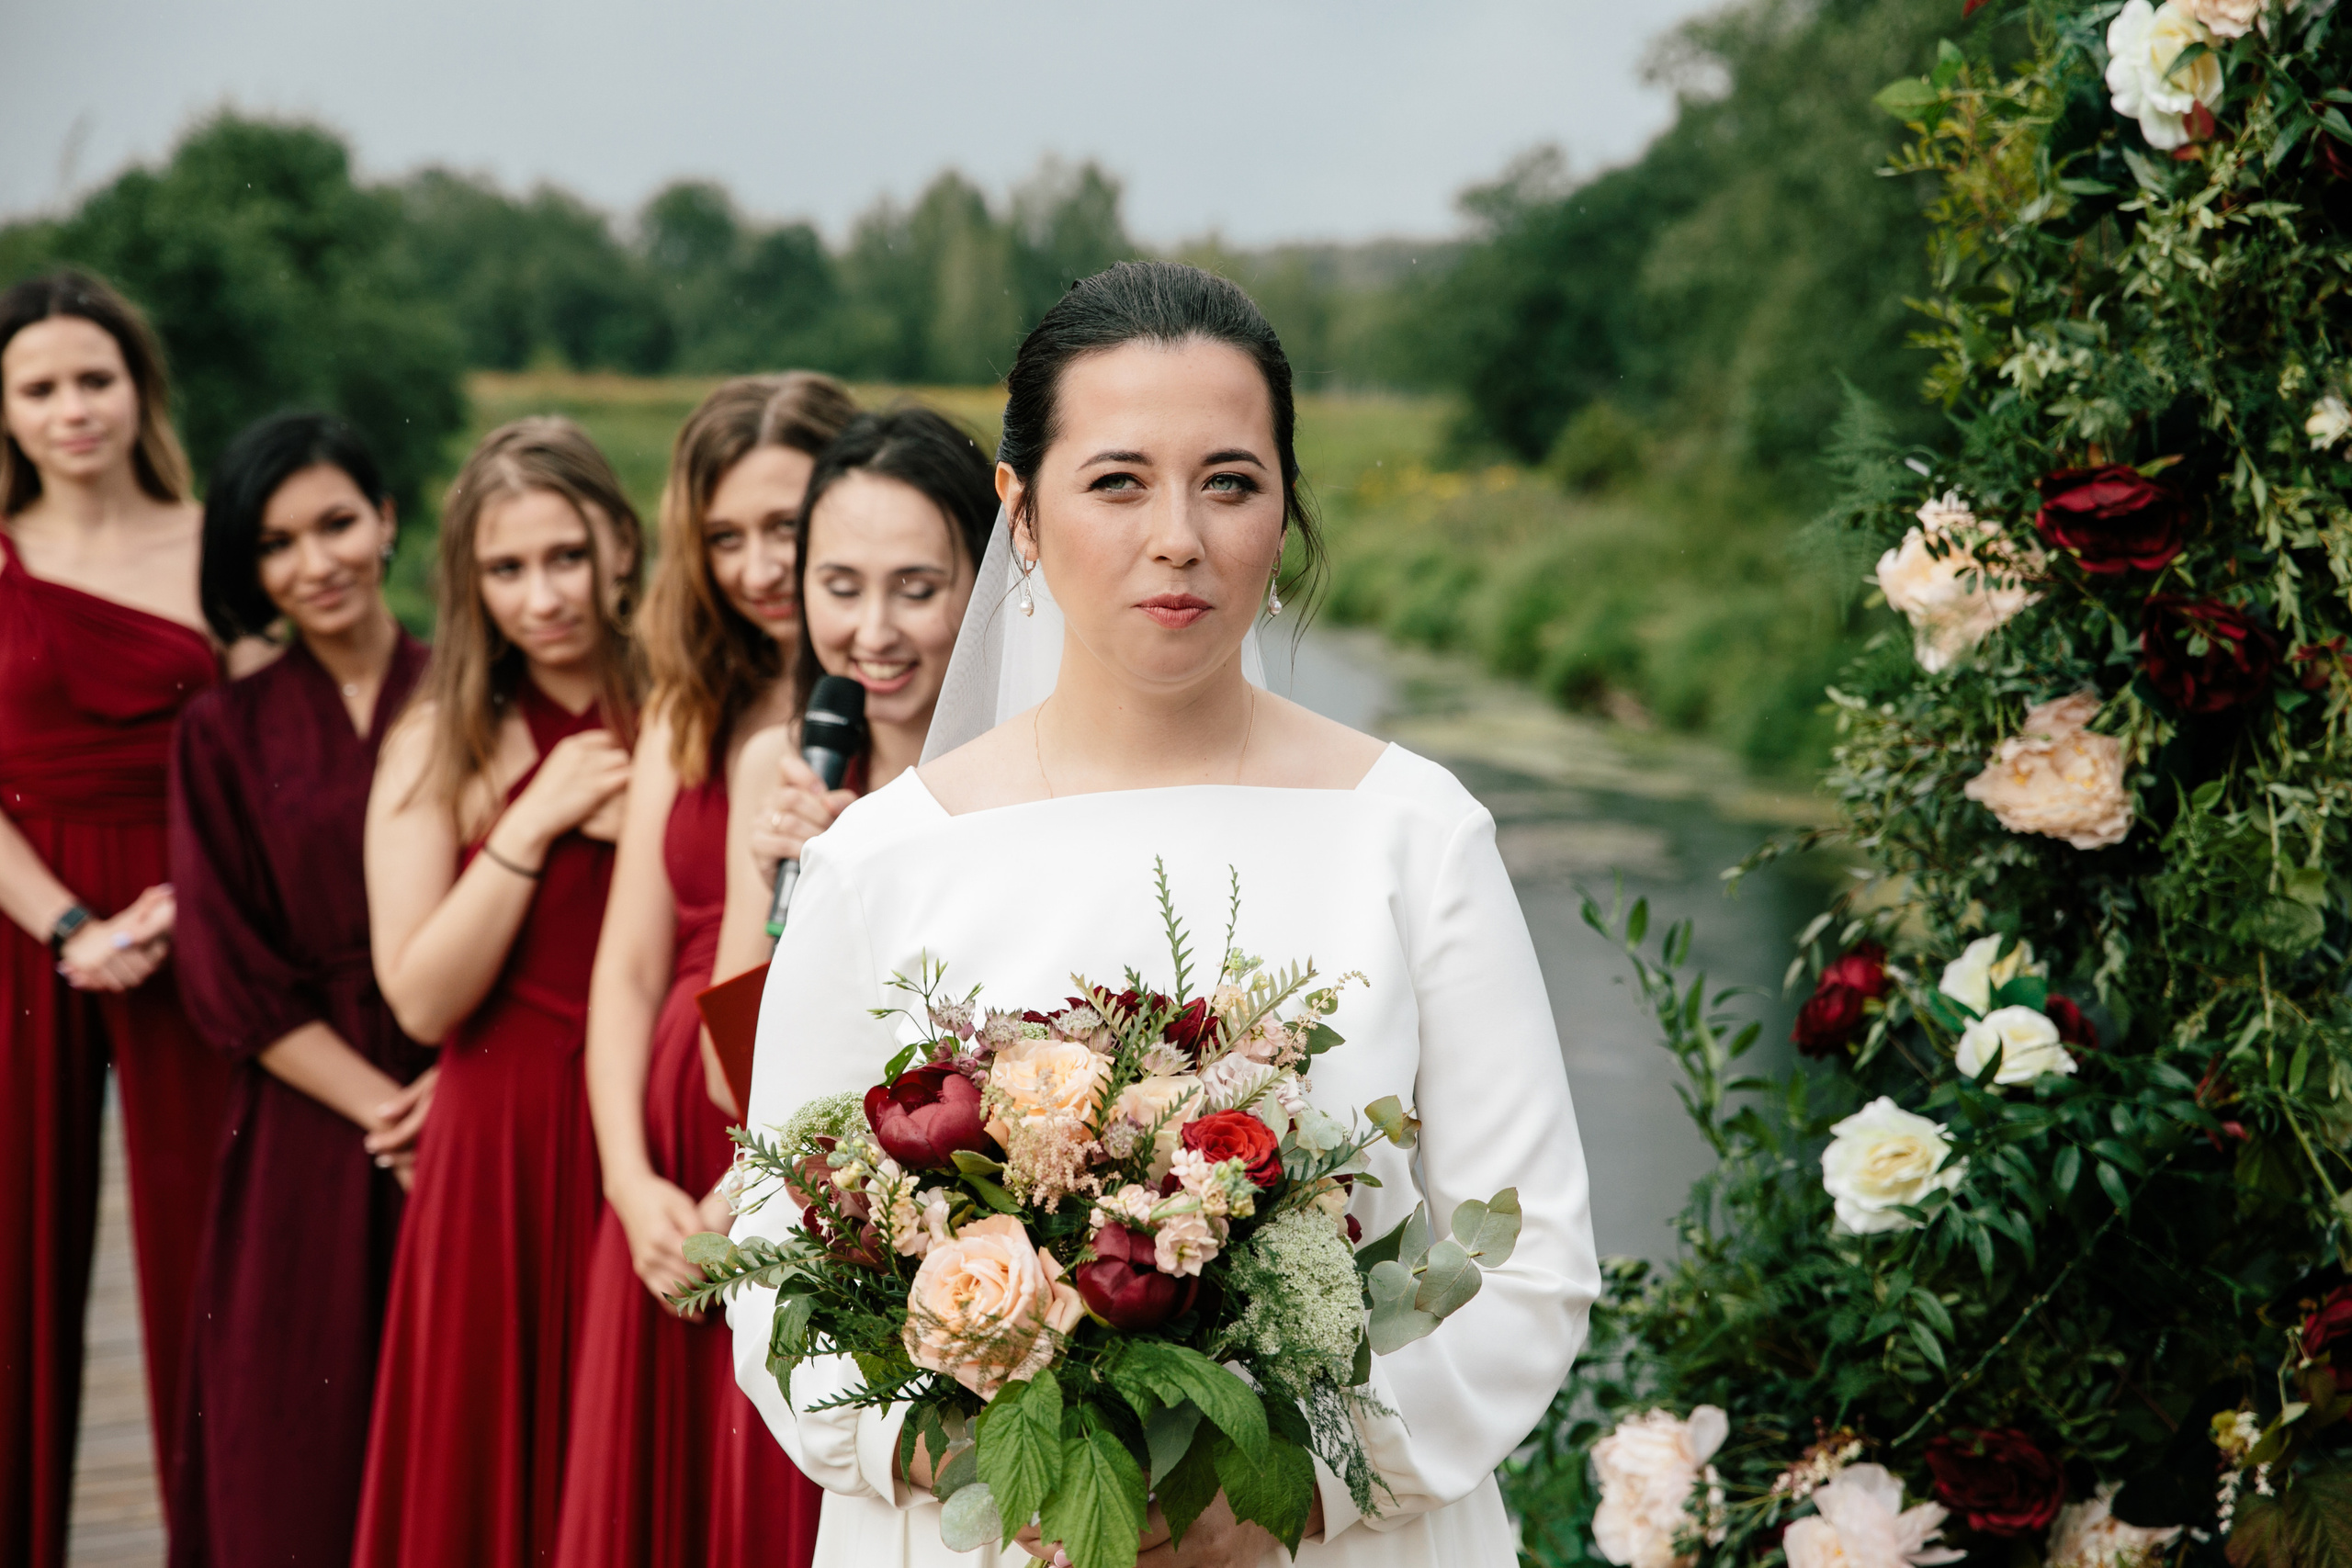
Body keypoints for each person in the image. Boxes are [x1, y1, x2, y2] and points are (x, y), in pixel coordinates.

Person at [727, 262, 1599, 1568]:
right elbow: (775, 1272)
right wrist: (993, 1472)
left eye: (1231, 481)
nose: (1178, 534)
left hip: (1337, 1532)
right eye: (1118, 480)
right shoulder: (880, 862)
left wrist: (1276, 1493)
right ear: (1019, 512)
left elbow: (1528, 1259)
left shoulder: (1416, 833)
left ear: (1285, 506)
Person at [556, 373, 853, 1568]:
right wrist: (629, 1183)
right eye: (725, 536)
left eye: (786, 527)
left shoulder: (892, 708)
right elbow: (627, 966)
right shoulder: (689, 703)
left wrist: (761, 1175)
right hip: (666, 1165)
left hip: (792, 1155)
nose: (757, 565)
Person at [353, 417, 640, 1568]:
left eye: (565, 556)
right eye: (508, 569)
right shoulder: (441, 738)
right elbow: (419, 1000)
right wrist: (530, 819)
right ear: (470, 582)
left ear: (619, 544)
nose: (543, 596)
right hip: (500, 1140)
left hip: (645, 1126)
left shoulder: (687, 702)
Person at [164, 411, 435, 1568]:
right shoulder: (221, 730)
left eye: (335, 523)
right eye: (278, 543)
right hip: (313, 1121)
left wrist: (447, 1109)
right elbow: (229, 973)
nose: (315, 562)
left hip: (458, 1088)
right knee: (293, 1436)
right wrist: (391, 1111)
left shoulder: (470, 692)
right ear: (251, 568)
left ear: (384, 521)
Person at [0, 269, 233, 1566]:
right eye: (39, 387)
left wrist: (196, 897)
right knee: (13, 1269)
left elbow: (268, 746)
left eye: (94, 378)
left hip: (197, 910)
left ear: (137, 389)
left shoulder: (214, 540)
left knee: (212, 1255)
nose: (72, 407)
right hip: (32, 919)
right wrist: (69, 923)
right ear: (7, 412)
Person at [709, 405, 999, 990]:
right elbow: (727, 1075)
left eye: (915, 591)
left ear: (988, 581)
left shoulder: (1040, 771)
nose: (872, 633)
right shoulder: (781, 768)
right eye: (841, 589)